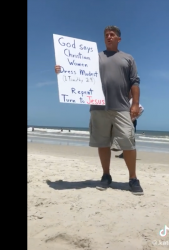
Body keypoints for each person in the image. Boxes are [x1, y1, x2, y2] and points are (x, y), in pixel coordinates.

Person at [55, 26, 143, 195]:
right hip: (97, 107)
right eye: (106, 35)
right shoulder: (93, 57)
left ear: (119, 39)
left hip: (121, 106)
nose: (108, 37)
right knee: (102, 143)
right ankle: (106, 176)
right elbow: (76, 70)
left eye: (112, 35)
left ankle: (133, 178)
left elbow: (135, 82)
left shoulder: (128, 58)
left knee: (128, 142)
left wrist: (135, 104)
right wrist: (61, 69)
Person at [114, 91, 144, 159]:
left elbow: (141, 109)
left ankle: (129, 154)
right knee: (125, 137)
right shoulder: (124, 100)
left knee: (130, 138)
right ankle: (124, 153)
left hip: (131, 122)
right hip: (125, 121)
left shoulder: (131, 100)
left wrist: (132, 118)